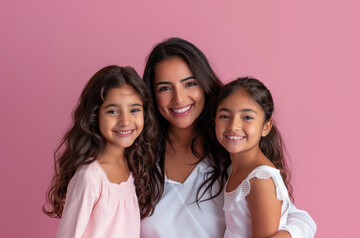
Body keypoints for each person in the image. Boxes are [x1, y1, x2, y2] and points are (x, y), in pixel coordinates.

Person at [141, 37, 316, 238]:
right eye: (165, 88)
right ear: (152, 95)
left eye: (189, 83)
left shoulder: (231, 149)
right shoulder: (140, 156)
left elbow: (299, 220)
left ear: (203, 85)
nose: (179, 98)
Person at [43, 65, 158, 238]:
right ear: (94, 115)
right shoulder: (89, 176)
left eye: (134, 110)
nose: (125, 121)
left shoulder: (133, 165)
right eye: (113, 111)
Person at [215, 77, 314, 237]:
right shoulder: (233, 168)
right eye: (225, 116)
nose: (233, 126)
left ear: (266, 127)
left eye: (247, 117)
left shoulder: (261, 180)